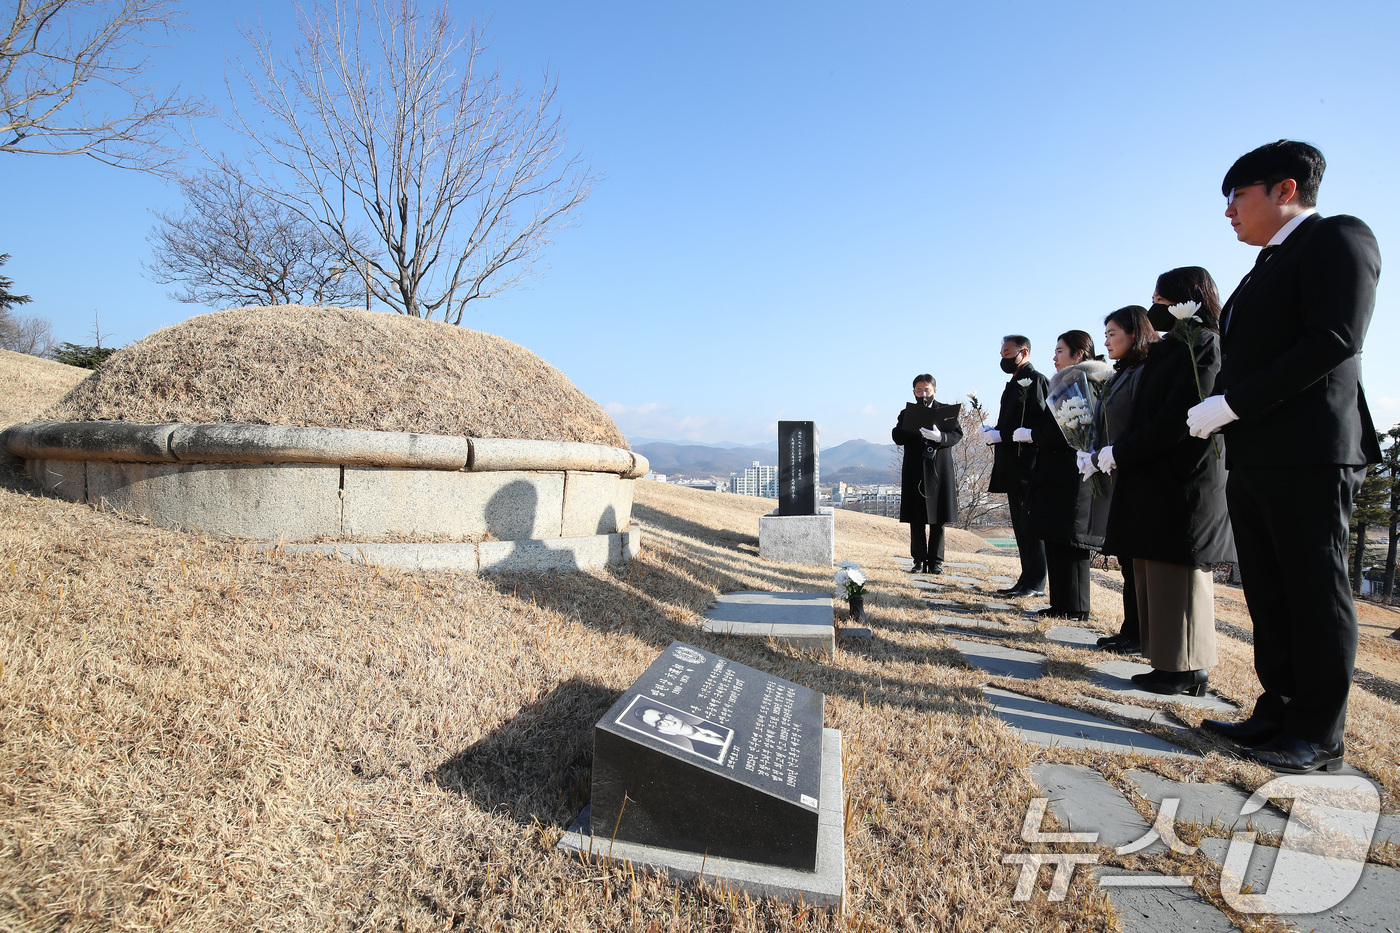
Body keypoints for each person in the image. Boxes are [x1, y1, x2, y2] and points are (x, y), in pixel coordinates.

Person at [1187, 140, 1381, 773]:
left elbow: (1333, 338)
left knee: (1314, 589)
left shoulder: (1338, 239)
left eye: (1237, 197)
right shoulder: (1263, 267)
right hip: (1258, 453)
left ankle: (1319, 731)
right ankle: (1278, 707)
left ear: (1285, 190)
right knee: (1270, 589)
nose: (1229, 213)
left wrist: (1232, 404)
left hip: (1311, 452)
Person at [1095, 271, 1234, 695]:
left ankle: (1188, 668)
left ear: (1186, 299)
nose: (1155, 304)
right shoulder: (1170, 348)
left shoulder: (1203, 344)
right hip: (1152, 474)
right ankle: (1166, 661)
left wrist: (1125, 450)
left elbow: (1180, 414)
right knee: (1154, 570)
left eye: (1162, 297)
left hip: (1181, 477)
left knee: (1179, 572)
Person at [1017, 331, 1110, 620]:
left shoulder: (1086, 383)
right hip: (1056, 474)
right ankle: (1060, 604)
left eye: (1060, 351)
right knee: (1056, 538)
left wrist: (1034, 434)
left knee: (1071, 542)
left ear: (1079, 354)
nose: (1054, 357)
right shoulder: (1069, 381)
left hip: (1073, 473)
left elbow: (1070, 430)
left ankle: (1075, 607)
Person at [1091, 306, 1157, 654]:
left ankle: (1140, 632)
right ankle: (1130, 627)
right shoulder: (1121, 372)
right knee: (1127, 559)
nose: (1107, 341)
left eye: (1113, 333)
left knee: (1136, 558)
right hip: (1117, 467)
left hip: (1135, 466)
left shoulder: (1145, 371)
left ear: (1135, 333)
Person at [987, 336, 1048, 597]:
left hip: (1028, 464)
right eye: (1001, 352)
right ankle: (1025, 578)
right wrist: (995, 431)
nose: (1004, 357)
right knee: (1020, 526)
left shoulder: (1035, 380)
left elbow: (1037, 420)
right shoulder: (1013, 382)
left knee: (1031, 525)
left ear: (1023, 352)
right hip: (1013, 463)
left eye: (1008, 352)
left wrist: (1005, 434)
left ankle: (1036, 581)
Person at [892, 373, 964, 573]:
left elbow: (957, 434)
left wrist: (939, 436)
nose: (923, 394)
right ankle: (918, 560)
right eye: (918, 390)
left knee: (938, 518)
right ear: (913, 392)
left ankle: (936, 562)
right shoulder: (906, 412)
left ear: (935, 390)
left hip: (939, 469)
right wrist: (912, 427)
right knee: (916, 518)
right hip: (915, 469)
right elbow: (897, 436)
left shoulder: (946, 411)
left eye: (926, 390)